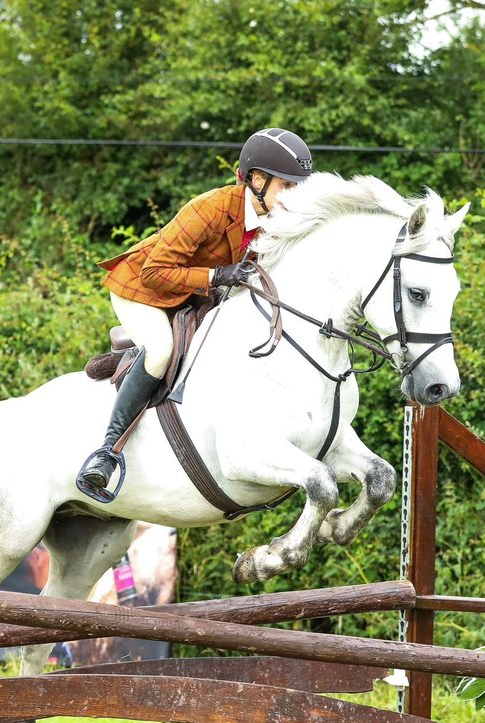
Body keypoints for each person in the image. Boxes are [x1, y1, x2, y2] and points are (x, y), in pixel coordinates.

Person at [76, 127, 314, 498]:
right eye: (288, 186)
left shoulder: (276, 220)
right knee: (161, 350)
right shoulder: (211, 207)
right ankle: (106, 453)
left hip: (192, 295)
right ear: (256, 180)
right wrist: (216, 275)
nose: (295, 197)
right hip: (142, 290)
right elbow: (153, 273)